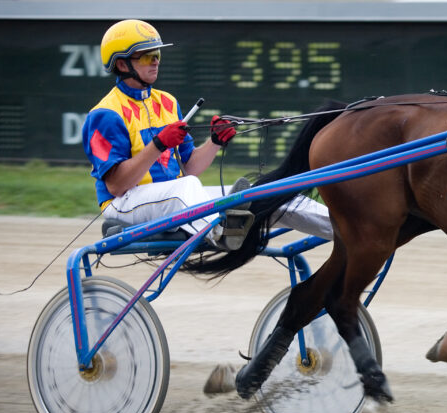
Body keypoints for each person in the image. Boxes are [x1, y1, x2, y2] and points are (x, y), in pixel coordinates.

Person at [82, 19, 333, 247]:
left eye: (156, 54)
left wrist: (214, 142)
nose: (156, 60)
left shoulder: (167, 102)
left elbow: (189, 167)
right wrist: (158, 145)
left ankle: (348, 228)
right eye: (146, 56)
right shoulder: (105, 114)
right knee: (186, 187)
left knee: (268, 194)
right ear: (122, 64)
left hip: (173, 196)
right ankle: (220, 234)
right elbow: (116, 186)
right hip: (125, 204)